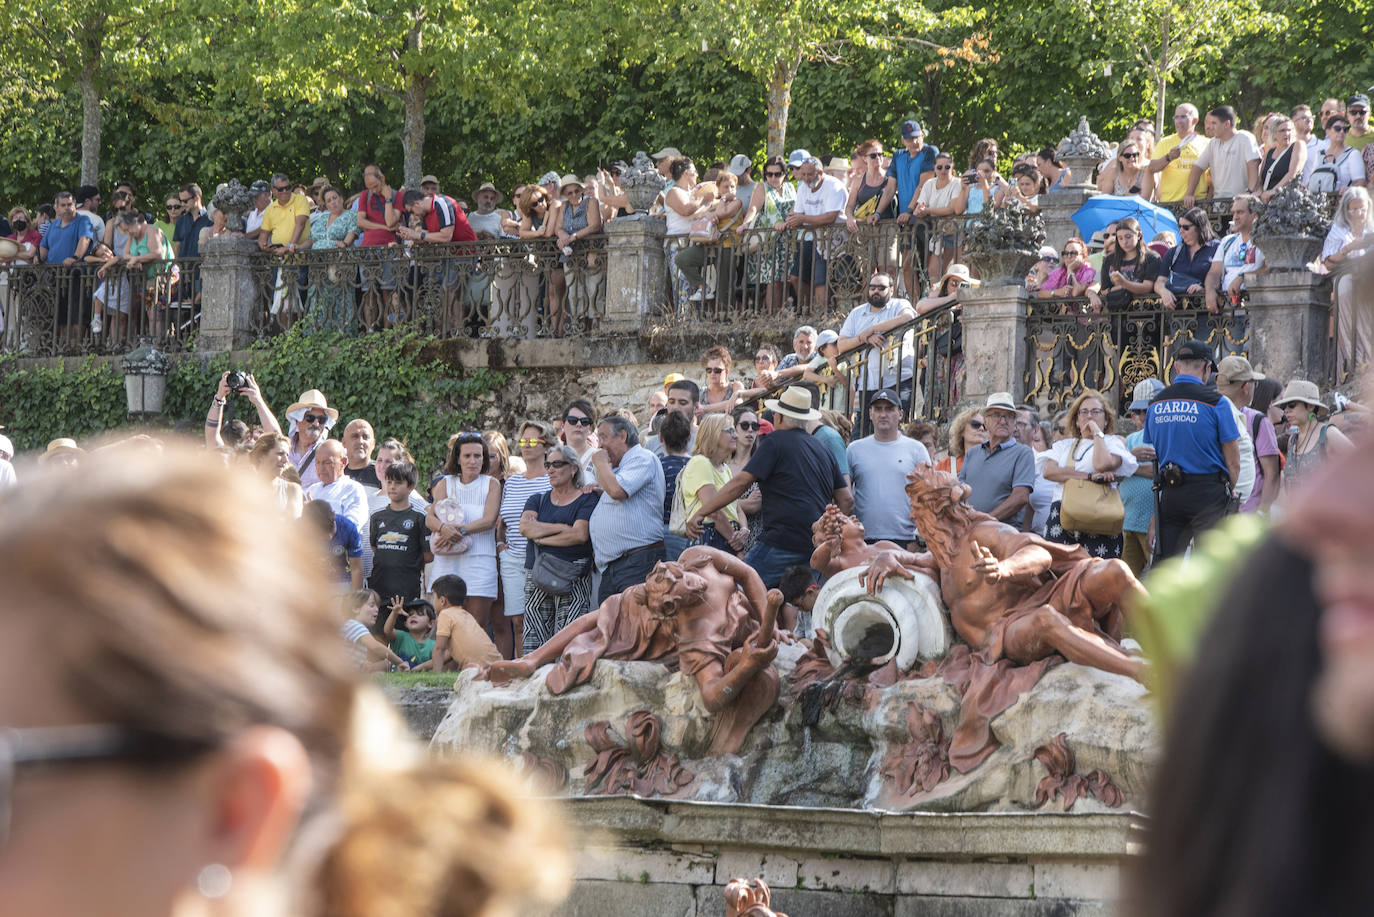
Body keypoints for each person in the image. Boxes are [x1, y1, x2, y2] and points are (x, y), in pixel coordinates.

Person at [687, 386, 852, 587]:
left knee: (739, 593)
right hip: (815, 546)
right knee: (798, 607)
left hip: (781, 540)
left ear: (780, 417)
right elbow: (846, 499)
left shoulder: (774, 441)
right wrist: (834, 538)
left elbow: (740, 483)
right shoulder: (823, 449)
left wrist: (701, 512)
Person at [1144, 339, 1240, 560]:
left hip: (1170, 492)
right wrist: (1230, 489)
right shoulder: (1217, 403)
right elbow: (1233, 462)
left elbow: (1157, 455)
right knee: (1210, 569)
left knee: (1165, 568)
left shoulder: (1155, 404)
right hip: (1208, 493)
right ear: (1207, 367)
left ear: (1176, 367)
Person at [519, 443, 598, 653]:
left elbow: (579, 535)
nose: (551, 469)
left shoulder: (587, 499)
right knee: (535, 637)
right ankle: (533, 682)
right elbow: (525, 527)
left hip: (574, 575)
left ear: (573, 468)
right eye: (548, 465)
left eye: (557, 464)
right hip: (538, 572)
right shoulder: (537, 499)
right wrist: (561, 528)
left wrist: (542, 537)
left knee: (571, 640)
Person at [1041, 389, 1138, 559]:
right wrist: (1088, 477)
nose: (1089, 416)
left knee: (1099, 578)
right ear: (1076, 420)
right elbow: (1049, 472)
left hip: (1100, 517)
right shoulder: (1065, 445)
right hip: (1064, 515)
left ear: (1106, 418)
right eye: (1084, 412)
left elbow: (1102, 464)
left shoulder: (1113, 443)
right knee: (1057, 576)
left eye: (1096, 412)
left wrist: (1097, 433)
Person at [427, 432, 501, 639]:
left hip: (480, 561)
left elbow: (489, 519)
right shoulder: (444, 484)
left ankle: (473, 668)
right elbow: (429, 518)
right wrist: (443, 529)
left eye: (478, 456)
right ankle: (445, 670)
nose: (472, 461)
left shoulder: (492, 485)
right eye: (467, 456)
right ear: (457, 459)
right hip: (447, 563)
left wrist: (460, 531)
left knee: (476, 626)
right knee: (446, 627)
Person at [588, 413, 666, 603]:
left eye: (604, 437)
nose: (600, 445)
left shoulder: (642, 457)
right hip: (617, 565)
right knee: (614, 628)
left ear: (622, 436)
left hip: (637, 561)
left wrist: (600, 464)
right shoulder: (620, 467)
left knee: (636, 627)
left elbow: (617, 491)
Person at [496, 420, 553, 658]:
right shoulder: (512, 482)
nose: (526, 446)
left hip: (542, 556)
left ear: (546, 445)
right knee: (518, 620)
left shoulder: (551, 479)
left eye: (532, 441)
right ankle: (520, 669)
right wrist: (500, 545)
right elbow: (502, 520)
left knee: (541, 617)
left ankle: (543, 667)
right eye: (523, 441)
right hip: (512, 558)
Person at [847, 388, 931, 547]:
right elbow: (844, 496)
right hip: (863, 541)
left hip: (906, 540)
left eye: (889, 409)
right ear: (870, 414)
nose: (883, 414)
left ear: (900, 414)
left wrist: (920, 538)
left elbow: (928, 495)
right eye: (878, 409)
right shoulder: (854, 450)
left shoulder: (916, 449)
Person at [836, 272, 917, 425]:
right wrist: (863, 338)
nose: (876, 291)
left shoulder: (900, 305)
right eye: (872, 287)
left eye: (881, 287)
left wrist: (873, 329)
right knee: (864, 431)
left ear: (891, 290)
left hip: (898, 379)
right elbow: (841, 345)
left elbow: (908, 318)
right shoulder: (856, 313)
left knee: (897, 427)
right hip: (866, 383)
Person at [875, 119, 939, 298]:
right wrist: (877, 212)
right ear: (903, 140)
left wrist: (909, 210)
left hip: (927, 217)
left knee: (931, 267)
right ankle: (915, 307)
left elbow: (923, 183)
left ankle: (934, 306)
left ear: (922, 136)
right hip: (908, 222)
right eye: (910, 139)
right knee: (909, 265)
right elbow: (890, 189)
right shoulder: (898, 156)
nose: (914, 142)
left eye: (917, 137)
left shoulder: (930, 152)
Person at [1215, 356, 1280, 515]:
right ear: (1245, 387)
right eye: (1254, 384)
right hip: (1231, 510)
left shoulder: (1210, 412)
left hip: (1235, 509)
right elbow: (1271, 472)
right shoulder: (1225, 414)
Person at [958, 392, 1035, 524]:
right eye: (996, 415)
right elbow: (960, 491)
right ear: (986, 422)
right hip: (968, 529)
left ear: (1015, 424)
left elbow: (1021, 497)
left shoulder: (1023, 453)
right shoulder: (973, 453)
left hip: (1002, 534)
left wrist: (985, 520)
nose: (1003, 421)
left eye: (1009, 416)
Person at [679, 414, 749, 555]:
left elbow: (737, 508)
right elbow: (714, 512)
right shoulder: (700, 462)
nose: (736, 435)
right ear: (713, 433)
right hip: (712, 536)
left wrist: (744, 529)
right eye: (730, 431)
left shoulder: (725, 468)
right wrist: (739, 549)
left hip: (726, 535)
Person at [785, 156, 848, 309]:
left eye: (810, 174)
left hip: (843, 244)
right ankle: (819, 317)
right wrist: (793, 221)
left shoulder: (834, 186)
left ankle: (839, 320)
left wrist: (803, 218)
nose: (806, 178)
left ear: (820, 173)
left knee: (843, 286)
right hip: (821, 244)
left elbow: (830, 217)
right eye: (804, 174)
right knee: (820, 284)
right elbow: (797, 216)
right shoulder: (802, 188)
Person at [1322, 186, 1372, 378]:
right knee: (1345, 289)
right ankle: (1353, 363)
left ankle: (1369, 360)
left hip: (1368, 278)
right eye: (1353, 210)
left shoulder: (1372, 228)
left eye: (1362, 209)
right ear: (1346, 210)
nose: (1358, 214)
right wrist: (1347, 249)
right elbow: (1327, 263)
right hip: (1345, 275)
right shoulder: (1339, 230)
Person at [368, 459, 431, 608]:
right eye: (389, 482)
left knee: (404, 629)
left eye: (398, 483)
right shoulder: (376, 517)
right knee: (379, 629)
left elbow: (428, 555)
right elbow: (375, 547)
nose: (392, 487)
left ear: (411, 487)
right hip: (379, 586)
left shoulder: (419, 518)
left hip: (407, 589)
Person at [1276, 379, 1354, 496]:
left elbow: (1361, 464)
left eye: (1292, 405)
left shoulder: (1328, 434)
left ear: (1311, 406)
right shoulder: (1292, 440)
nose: (1286, 410)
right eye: (1284, 406)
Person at [739, 154, 797, 312]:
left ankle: (782, 314)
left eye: (777, 174)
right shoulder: (762, 187)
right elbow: (753, 209)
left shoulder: (791, 188)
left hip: (787, 240)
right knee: (773, 280)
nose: (773, 177)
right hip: (769, 242)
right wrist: (745, 224)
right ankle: (772, 317)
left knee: (786, 279)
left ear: (784, 174)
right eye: (769, 174)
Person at [1185, 107, 1261, 205]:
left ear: (1227, 124)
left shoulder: (1245, 138)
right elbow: (1197, 168)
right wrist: (1189, 194)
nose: (1210, 127)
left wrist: (1249, 194)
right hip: (1219, 205)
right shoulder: (1213, 143)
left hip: (1241, 205)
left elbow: (1253, 165)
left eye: (1214, 123)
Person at [1205, 194, 1266, 310]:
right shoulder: (1227, 241)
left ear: (1255, 215)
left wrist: (1243, 278)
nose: (1235, 217)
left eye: (1240, 212)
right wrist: (1210, 291)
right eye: (1234, 213)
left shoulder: (1266, 241)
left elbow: (1270, 268)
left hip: (1255, 308)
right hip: (1229, 310)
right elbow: (1214, 272)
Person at [430, 573, 503, 671]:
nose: (432, 601)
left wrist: (436, 676)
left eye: (433, 597)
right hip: (499, 664)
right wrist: (418, 668)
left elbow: (439, 649)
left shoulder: (445, 614)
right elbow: (448, 655)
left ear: (442, 601)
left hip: (479, 670)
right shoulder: (466, 615)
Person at [1155, 207, 1219, 308]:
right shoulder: (1173, 252)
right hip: (1177, 311)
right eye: (1179, 226)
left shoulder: (1217, 248)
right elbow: (1160, 281)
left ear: (1199, 227)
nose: (1181, 231)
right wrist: (1164, 292)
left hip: (1207, 311)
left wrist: (1204, 289)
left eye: (1185, 227)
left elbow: (1223, 277)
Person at [305, 440, 369, 540]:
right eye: (317, 462)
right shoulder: (311, 490)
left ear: (343, 462)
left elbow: (350, 528)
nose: (321, 468)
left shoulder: (353, 490)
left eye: (327, 462)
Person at [342, 589, 410, 671]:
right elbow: (376, 647)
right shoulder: (353, 625)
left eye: (377, 606)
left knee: (386, 664)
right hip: (343, 675)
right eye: (371, 605)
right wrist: (399, 662)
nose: (377, 609)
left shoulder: (351, 625)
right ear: (356, 608)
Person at [304, 501, 364, 592]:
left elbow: (356, 568)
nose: (329, 537)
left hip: (342, 578)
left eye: (331, 529)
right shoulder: (298, 531)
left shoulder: (348, 527)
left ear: (334, 516)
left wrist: (357, 600)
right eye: (322, 534)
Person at [659, 409, 695, 561]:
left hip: (666, 529)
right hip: (694, 530)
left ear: (660, 438)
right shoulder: (697, 465)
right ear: (689, 436)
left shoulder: (658, 466)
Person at [248, 432, 305, 517]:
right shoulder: (243, 488)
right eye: (280, 454)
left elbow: (294, 526)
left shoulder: (292, 490)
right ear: (262, 455)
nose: (285, 460)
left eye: (287, 455)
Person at [1303, 115, 1363, 194]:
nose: (1342, 132)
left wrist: (1349, 190)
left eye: (1345, 129)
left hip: (1342, 202)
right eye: (1337, 129)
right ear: (1327, 131)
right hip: (1319, 203)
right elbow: (1312, 180)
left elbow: (1360, 182)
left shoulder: (1353, 154)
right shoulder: (1320, 155)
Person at [1257, 116, 1307, 203]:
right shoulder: (1270, 152)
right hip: (1267, 201)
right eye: (1282, 130)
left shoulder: (1298, 145)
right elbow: (1260, 179)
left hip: (1286, 200)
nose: (1287, 133)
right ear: (1274, 134)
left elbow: (1293, 173)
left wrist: (1274, 191)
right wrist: (1259, 191)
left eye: (1289, 130)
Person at [384, 597, 437, 671]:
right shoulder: (401, 637)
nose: (414, 616)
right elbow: (387, 631)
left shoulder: (433, 645)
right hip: (398, 681)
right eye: (410, 614)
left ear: (431, 623)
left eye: (420, 614)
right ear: (405, 623)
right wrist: (394, 613)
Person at [936, 406, 987, 474]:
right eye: (975, 424)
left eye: (985, 426)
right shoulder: (945, 465)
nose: (981, 428)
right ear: (962, 430)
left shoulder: (996, 464)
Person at [700, 344, 745, 413]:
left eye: (717, 370)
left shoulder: (735, 387)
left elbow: (738, 402)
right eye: (709, 370)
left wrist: (705, 408)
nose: (712, 373)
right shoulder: (701, 393)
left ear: (726, 371)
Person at [561, 397, 598, 479]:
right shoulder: (554, 457)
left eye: (584, 421)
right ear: (562, 426)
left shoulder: (598, 457)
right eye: (572, 420)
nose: (578, 424)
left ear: (591, 429)